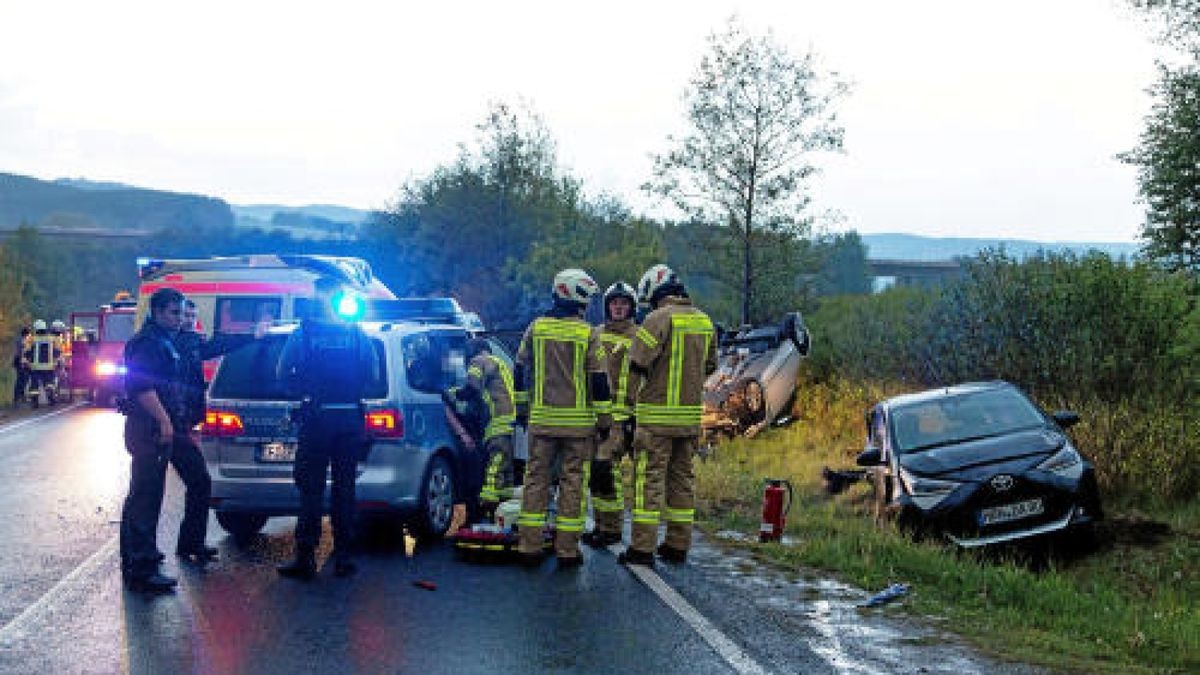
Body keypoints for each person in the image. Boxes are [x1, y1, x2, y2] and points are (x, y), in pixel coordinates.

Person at [276, 278, 379, 580]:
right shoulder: (356, 332)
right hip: (349, 419)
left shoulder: (304, 333)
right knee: (345, 489)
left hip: (316, 419)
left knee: (310, 489)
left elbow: (282, 373)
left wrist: (303, 392)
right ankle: (344, 557)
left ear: (316, 297)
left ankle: (305, 557)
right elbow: (372, 374)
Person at [619, 264, 717, 567]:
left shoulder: (657, 319)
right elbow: (711, 365)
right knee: (682, 483)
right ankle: (677, 545)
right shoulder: (704, 321)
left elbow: (637, 364)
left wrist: (625, 410)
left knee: (648, 484)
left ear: (654, 293)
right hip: (689, 421)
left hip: (655, 421)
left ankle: (642, 548)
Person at [513, 268, 612, 567]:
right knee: (573, 484)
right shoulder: (588, 333)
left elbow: (520, 370)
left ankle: (529, 547)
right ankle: (567, 550)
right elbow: (599, 381)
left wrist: (521, 409)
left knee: (536, 482)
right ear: (577, 295)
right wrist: (605, 421)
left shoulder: (537, 328)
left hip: (541, 422)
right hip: (578, 426)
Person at [119, 287, 214, 594]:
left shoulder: (169, 340)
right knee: (145, 496)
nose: (179, 318)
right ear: (157, 312)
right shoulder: (148, 342)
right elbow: (141, 387)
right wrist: (163, 420)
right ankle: (141, 569)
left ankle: (179, 547)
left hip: (169, 426)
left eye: (182, 312)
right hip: (150, 427)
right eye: (174, 313)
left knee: (191, 482)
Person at [582, 281, 639, 548]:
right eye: (614, 303)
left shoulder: (640, 336)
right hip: (594, 414)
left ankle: (613, 529)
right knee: (595, 472)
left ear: (631, 307)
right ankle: (601, 526)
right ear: (607, 306)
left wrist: (634, 416)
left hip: (622, 415)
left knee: (607, 470)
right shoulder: (595, 333)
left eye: (624, 303)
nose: (618, 307)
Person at [175, 299, 260, 432]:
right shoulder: (180, 342)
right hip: (177, 413)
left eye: (193, 316)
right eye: (186, 315)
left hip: (187, 414)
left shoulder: (193, 341)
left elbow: (221, 345)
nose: (190, 320)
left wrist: (252, 336)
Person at [455, 338, 517, 518]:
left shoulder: (478, 361)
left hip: (497, 421)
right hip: (508, 421)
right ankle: (503, 505)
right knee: (506, 466)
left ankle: (487, 504)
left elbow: (472, 387)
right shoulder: (501, 363)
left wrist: (455, 394)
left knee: (495, 463)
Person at [10, 326, 30, 408]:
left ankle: (20, 398)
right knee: (21, 380)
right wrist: (23, 364)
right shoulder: (22, 341)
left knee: (23, 379)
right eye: (28, 333)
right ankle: (17, 399)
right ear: (26, 334)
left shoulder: (21, 340)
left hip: (19, 361)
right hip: (20, 362)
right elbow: (21, 353)